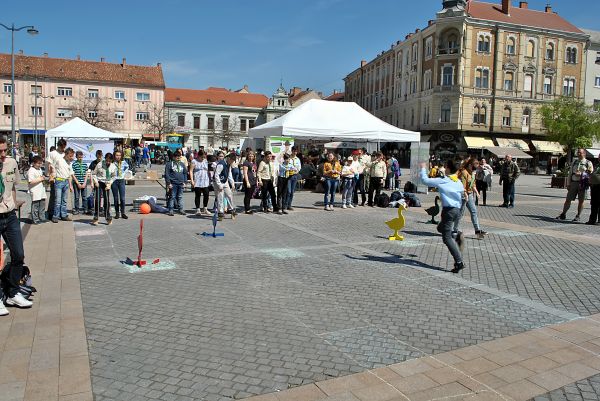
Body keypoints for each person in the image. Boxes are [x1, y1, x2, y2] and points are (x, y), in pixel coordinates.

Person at [0, 136, 32, 313]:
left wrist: (13, 203)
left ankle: (12, 293)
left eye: (5, 150)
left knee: (18, 254)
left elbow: (12, 187)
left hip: (9, 214)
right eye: (0, 152)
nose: (3, 155)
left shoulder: (11, 163)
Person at [419, 161, 466, 273]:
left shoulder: (444, 180)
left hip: (449, 211)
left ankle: (459, 262)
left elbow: (425, 181)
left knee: (446, 238)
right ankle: (456, 235)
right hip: (456, 211)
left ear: (448, 169)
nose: (444, 168)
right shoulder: (458, 181)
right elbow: (463, 193)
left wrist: (423, 168)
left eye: (445, 167)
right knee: (440, 228)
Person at [557, 148, 594, 222]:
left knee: (581, 201)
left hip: (582, 184)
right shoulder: (574, 162)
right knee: (568, 200)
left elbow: (591, 173)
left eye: (580, 153)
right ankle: (563, 214)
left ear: (584, 154)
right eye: (578, 153)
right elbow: (570, 173)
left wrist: (581, 174)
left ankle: (578, 216)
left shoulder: (588, 163)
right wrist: (568, 184)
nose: (579, 154)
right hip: (574, 183)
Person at [455, 158, 487, 238]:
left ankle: (477, 230)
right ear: (470, 165)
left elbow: (473, 184)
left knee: (474, 211)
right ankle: (454, 229)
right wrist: (465, 194)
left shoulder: (472, 173)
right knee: (460, 213)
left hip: (469, 195)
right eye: (474, 167)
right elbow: (462, 186)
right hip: (463, 195)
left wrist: (476, 192)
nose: (475, 169)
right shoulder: (464, 172)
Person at [50, 147, 76, 223]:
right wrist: (52, 175)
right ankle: (55, 216)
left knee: (64, 200)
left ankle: (63, 215)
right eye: (70, 156)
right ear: (66, 154)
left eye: (72, 156)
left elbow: (70, 174)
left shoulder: (69, 163)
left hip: (66, 182)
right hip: (59, 181)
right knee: (58, 200)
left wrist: (70, 185)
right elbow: (52, 166)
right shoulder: (59, 160)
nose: (71, 158)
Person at [91, 153, 117, 225]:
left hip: (107, 183)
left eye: (109, 161)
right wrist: (95, 182)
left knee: (106, 200)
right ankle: (96, 216)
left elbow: (114, 176)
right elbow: (94, 174)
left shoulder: (113, 166)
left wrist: (110, 183)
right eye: (107, 161)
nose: (108, 162)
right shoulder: (99, 164)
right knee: (98, 199)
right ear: (105, 159)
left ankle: (107, 216)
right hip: (99, 182)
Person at [213, 153, 237, 219]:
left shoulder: (229, 164)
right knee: (220, 197)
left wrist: (232, 183)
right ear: (228, 158)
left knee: (229, 195)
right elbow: (216, 175)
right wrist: (219, 184)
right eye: (232, 160)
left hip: (225, 181)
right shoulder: (221, 164)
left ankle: (231, 209)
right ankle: (220, 212)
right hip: (218, 182)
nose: (232, 162)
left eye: (233, 161)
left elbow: (229, 174)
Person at [165, 150, 187, 216]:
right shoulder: (169, 164)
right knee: (172, 197)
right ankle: (171, 210)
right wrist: (169, 183)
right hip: (173, 183)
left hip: (181, 183)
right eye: (176, 156)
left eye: (179, 157)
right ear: (173, 157)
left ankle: (180, 209)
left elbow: (185, 173)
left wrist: (185, 182)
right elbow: (167, 174)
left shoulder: (182, 164)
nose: (178, 158)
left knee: (180, 197)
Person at [27, 155, 48, 225]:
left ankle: (42, 217)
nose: (40, 165)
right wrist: (40, 179)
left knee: (42, 205)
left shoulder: (39, 169)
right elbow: (31, 181)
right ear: (33, 163)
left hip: (41, 190)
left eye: (41, 163)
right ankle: (35, 219)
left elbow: (41, 178)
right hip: (35, 190)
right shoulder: (31, 170)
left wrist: (43, 179)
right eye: (38, 163)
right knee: (35, 206)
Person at [190, 150, 211, 215]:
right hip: (198, 180)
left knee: (206, 194)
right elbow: (191, 171)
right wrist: (192, 180)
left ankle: (205, 208)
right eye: (202, 157)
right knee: (198, 195)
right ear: (198, 156)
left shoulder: (205, 161)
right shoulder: (194, 161)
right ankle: (198, 209)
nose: (203, 158)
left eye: (204, 157)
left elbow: (209, 169)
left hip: (205, 180)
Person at [112, 150, 129, 219]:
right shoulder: (112, 163)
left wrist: (124, 174)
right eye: (117, 155)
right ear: (114, 156)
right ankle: (117, 213)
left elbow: (127, 167)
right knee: (116, 198)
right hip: (114, 181)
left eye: (119, 155)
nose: (118, 157)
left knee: (122, 198)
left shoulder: (124, 162)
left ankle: (123, 213)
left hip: (121, 180)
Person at [71, 151, 89, 215]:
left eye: (81, 157)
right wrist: (77, 183)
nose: (80, 158)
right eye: (79, 157)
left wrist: (84, 183)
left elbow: (87, 173)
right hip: (77, 183)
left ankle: (85, 209)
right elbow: (73, 174)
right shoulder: (74, 164)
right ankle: (77, 209)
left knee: (84, 196)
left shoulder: (85, 164)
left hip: (84, 182)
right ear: (76, 157)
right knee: (77, 197)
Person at [285, 147, 301, 211]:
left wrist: (297, 171)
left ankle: (289, 205)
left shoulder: (297, 159)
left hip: (295, 176)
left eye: (296, 151)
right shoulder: (289, 158)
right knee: (288, 191)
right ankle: (285, 205)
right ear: (292, 151)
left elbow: (299, 167)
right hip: (289, 176)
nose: (295, 152)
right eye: (294, 151)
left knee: (292, 191)